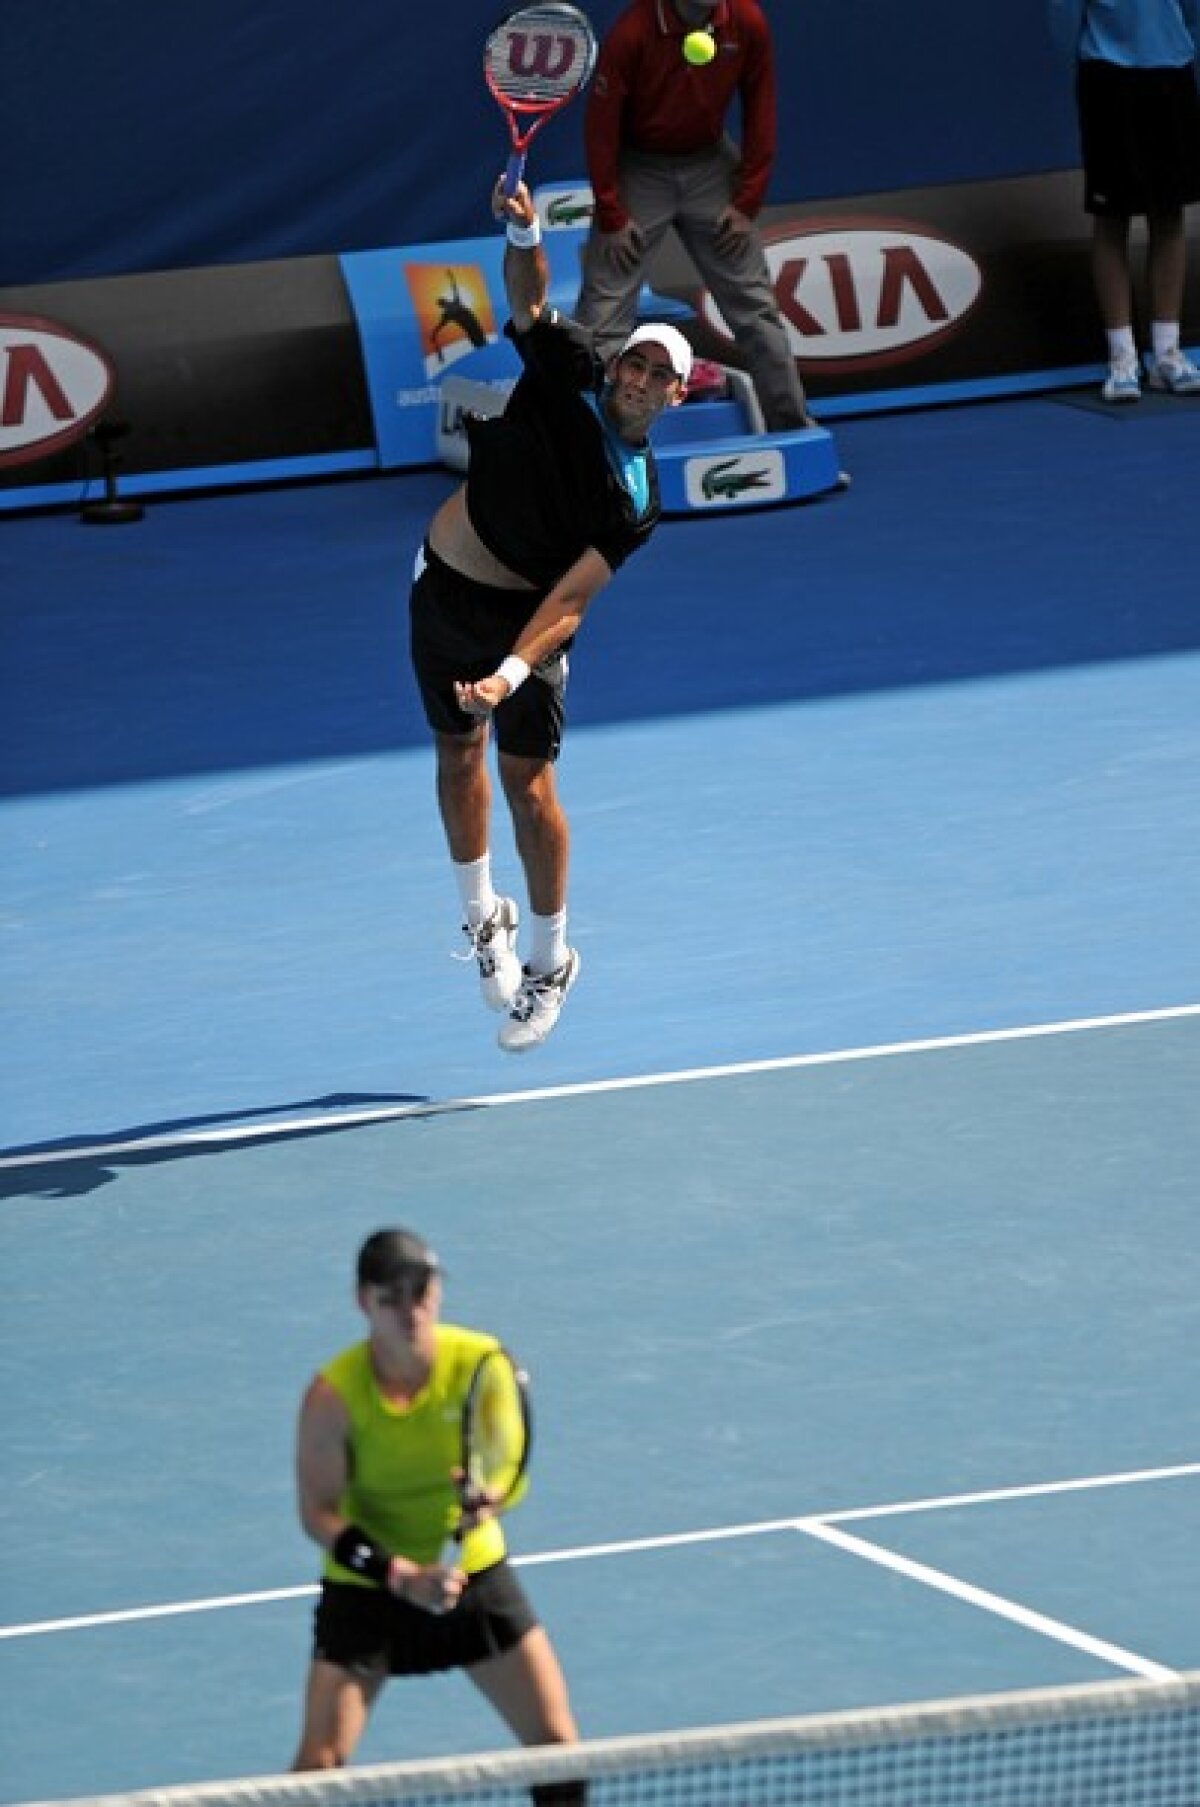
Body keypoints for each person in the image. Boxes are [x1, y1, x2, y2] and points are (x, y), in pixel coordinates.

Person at [409, 176, 690, 1053]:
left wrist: (511, 671)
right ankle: (479, 916)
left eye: (660, 375)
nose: (640, 378)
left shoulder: (635, 499)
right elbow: (528, 302)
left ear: (679, 396)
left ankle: (551, 958)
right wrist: (526, 232)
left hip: (522, 629)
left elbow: (569, 601)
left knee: (529, 789)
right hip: (439, 593)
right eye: (636, 361)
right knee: (458, 757)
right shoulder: (570, 374)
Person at [291, 1227, 586, 1805]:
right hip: (371, 1590)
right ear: (363, 1302)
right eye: (391, 1297)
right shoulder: (333, 1397)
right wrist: (398, 1574)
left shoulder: (482, 1363)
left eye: (422, 1292)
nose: (411, 1311)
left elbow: (508, 1469)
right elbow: (317, 1515)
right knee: (317, 1770)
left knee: (558, 1747)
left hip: (471, 1577)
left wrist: (491, 1501)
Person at [574, 0, 812, 432]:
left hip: (710, 167)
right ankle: (586, 446)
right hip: (639, 171)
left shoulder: (746, 21)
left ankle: (795, 433)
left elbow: (761, 107)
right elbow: (601, 125)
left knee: (757, 312)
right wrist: (611, 210)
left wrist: (746, 202)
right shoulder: (632, 33)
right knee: (601, 319)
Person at [1049, 0, 1200, 400]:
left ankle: (1167, 353)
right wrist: (1089, 65)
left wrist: (1184, 45)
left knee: (1169, 214)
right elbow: (1062, 15)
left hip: (1173, 70)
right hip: (1107, 75)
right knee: (1112, 215)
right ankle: (1122, 358)